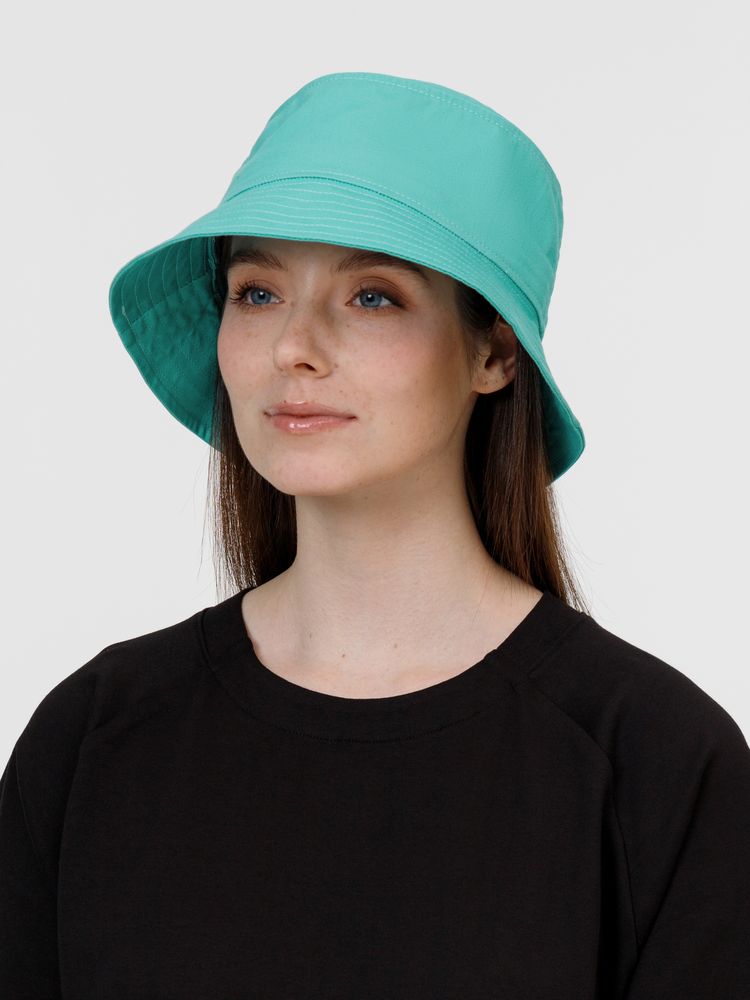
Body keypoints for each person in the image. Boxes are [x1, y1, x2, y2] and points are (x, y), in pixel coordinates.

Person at [1, 70, 748, 999]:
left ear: (494, 352)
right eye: (257, 292)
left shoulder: (657, 764)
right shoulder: (92, 740)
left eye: (373, 297)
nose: (294, 347)